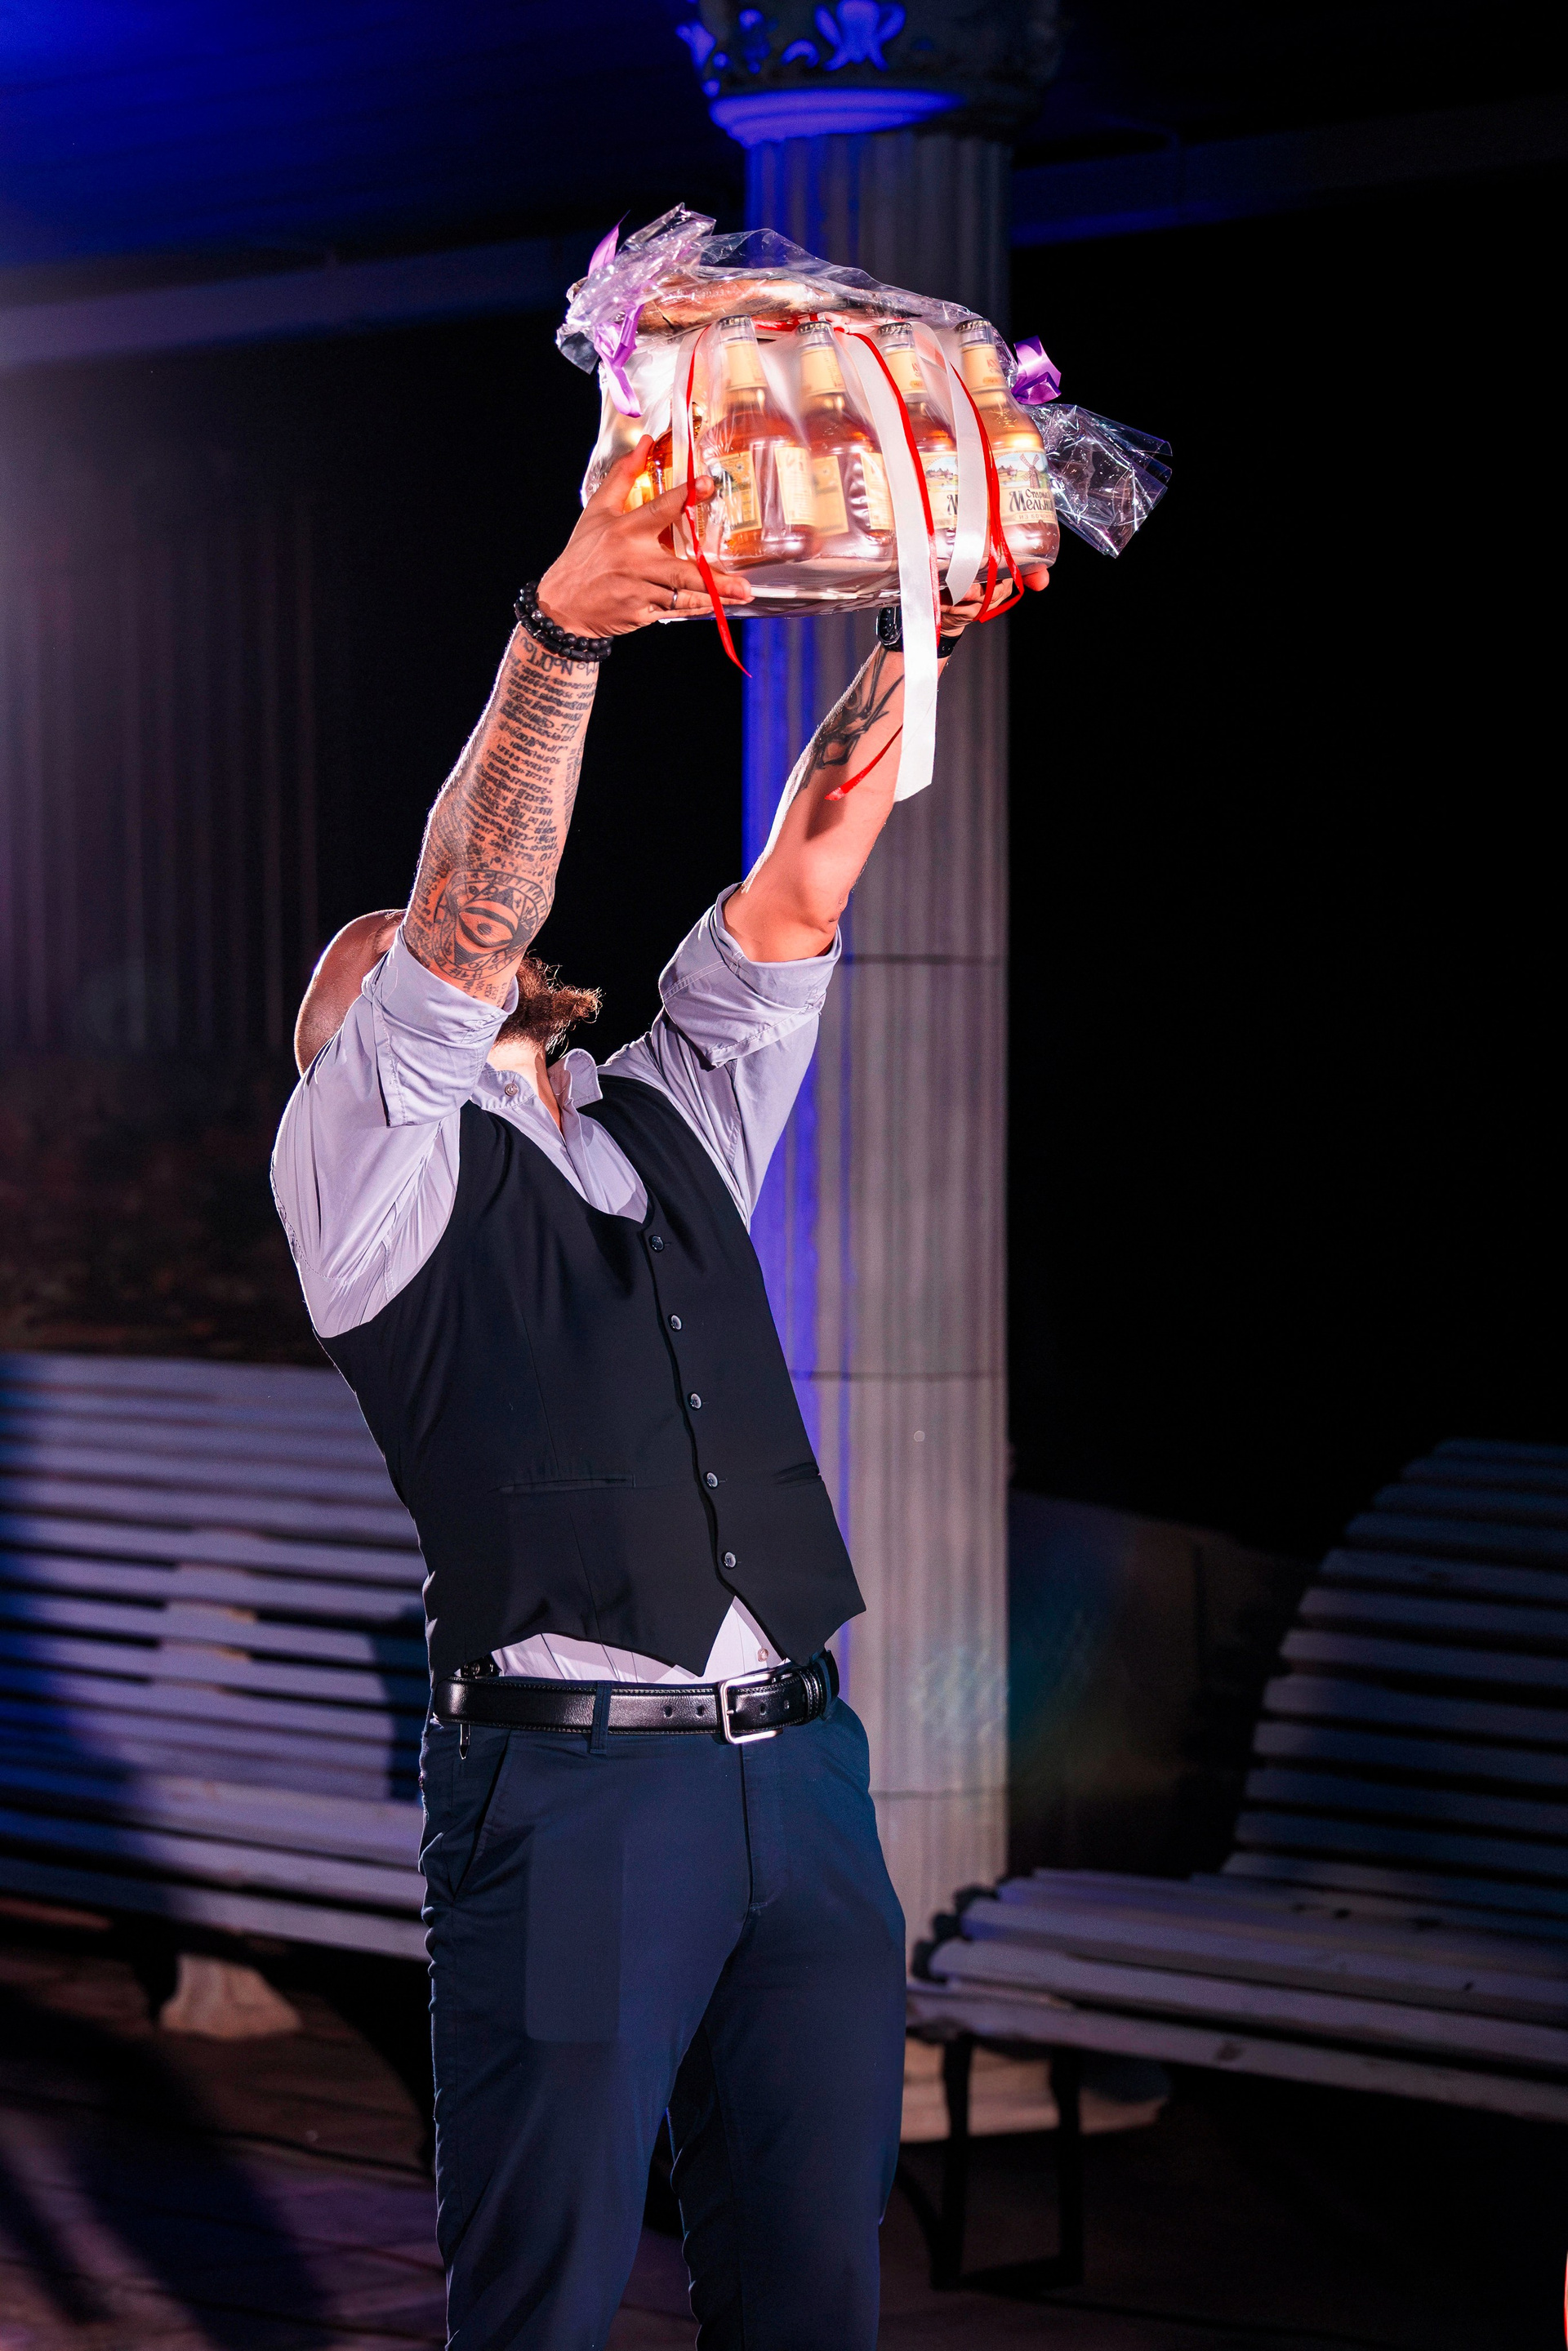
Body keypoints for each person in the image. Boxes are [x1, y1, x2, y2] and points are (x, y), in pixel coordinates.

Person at [271, 439, 1043, 2350]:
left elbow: (804, 873)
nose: (437, 950)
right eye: (389, 968)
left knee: (813, 2292)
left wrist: (931, 597)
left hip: (805, 1781)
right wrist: (560, 636)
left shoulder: (663, 1116)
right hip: (574, 1798)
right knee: (542, 2302)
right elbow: (458, 925)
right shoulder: (366, 1178)